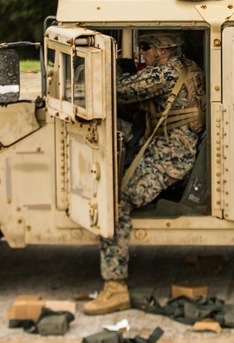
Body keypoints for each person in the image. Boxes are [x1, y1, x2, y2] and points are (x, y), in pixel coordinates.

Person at [84, 31, 206, 315]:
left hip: (171, 155)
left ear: (163, 51)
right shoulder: (187, 67)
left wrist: (108, 61)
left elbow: (119, 89)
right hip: (172, 142)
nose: (143, 53)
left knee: (116, 203)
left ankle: (115, 287)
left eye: (146, 47)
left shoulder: (163, 75)